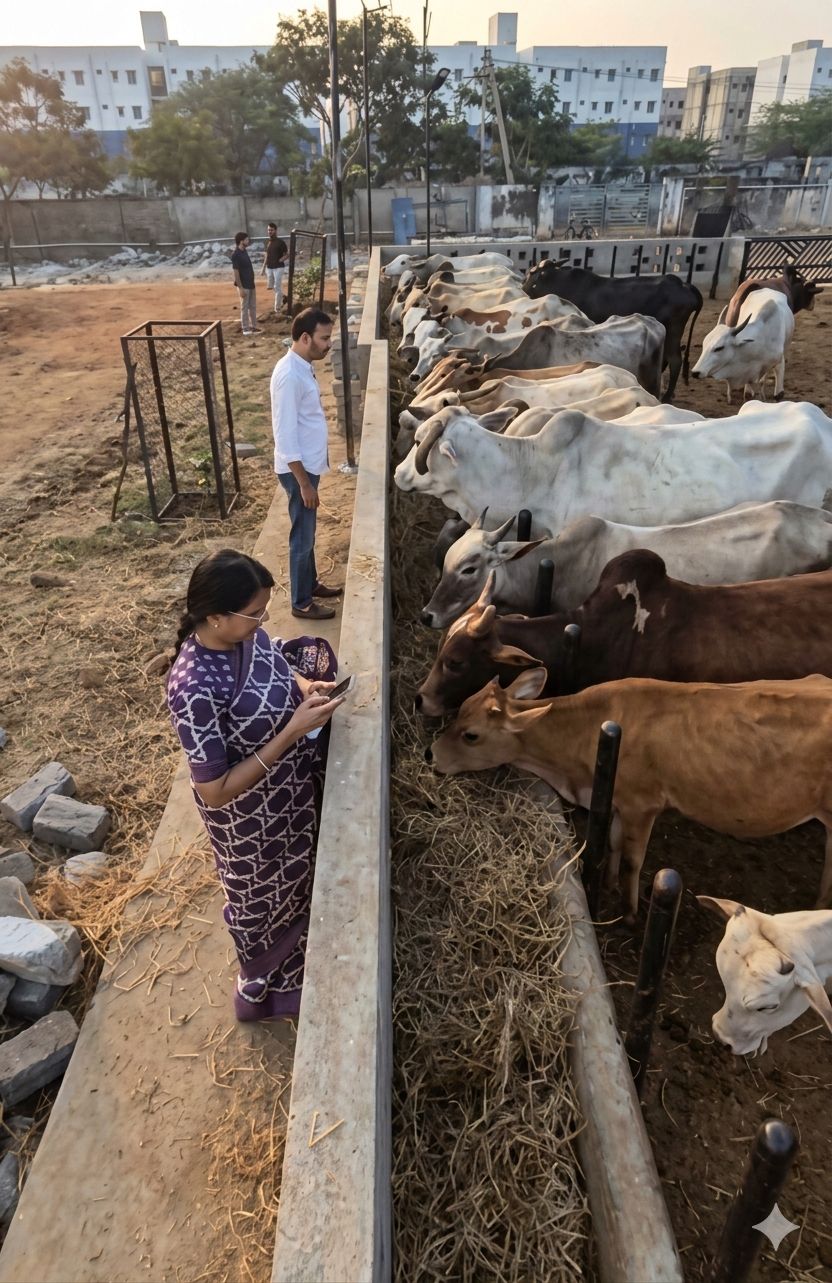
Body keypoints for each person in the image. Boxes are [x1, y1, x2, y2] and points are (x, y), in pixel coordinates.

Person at [166, 548, 344, 1022]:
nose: (262, 620)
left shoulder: (247, 637)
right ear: (214, 617)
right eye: (253, 614)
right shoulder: (193, 687)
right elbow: (215, 790)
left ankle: (303, 963)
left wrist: (305, 687)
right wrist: (290, 732)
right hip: (250, 825)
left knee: (301, 883)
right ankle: (265, 989)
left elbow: (276, 668)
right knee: (263, 905)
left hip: (289, 796)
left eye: (265, 609)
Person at [271, 306, 343, 621]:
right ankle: (301, 603)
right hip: (298, 471)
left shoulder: (302, 365)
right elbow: (284, 436)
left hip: (308, 467)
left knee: (308, 531)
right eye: (324, 338)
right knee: (302, 535)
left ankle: (310, 583)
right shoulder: (289, 375)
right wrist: (303, 483)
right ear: (304, 337)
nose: (329, 344)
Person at [231, 231, 258, 336]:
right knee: (244, 307)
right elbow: (236, 273)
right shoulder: (236, 254)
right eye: (246, 239)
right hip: (244, 286)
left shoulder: (244, 251)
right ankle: (245, 329)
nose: (248, 241)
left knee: (252, 306)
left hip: (251, 284)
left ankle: (254, 327)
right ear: (241, 241)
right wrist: (241, 288)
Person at [260, 221, 288, 314]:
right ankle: (284, 297)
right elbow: (266, 255)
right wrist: (263, 268)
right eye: (268, 230)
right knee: (272, 287)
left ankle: (277, 309)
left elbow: (287, 254)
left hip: (278, 268)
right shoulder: (268, 242)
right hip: (269, 268)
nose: (269, 232)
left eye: (271, 230)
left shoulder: (280, 242)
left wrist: (281, 260)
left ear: (275, 231)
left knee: (277, 286)